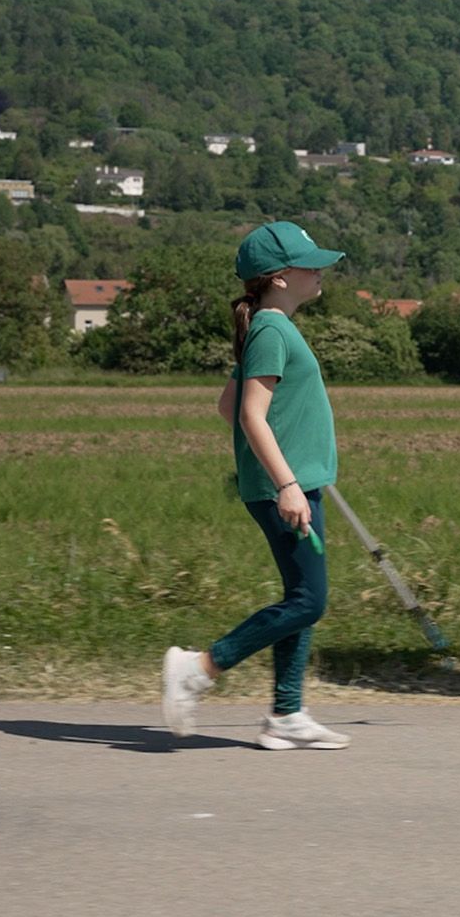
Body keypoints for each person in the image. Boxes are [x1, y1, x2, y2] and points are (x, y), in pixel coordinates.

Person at [161, 220, 353, 750]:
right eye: (310, 264)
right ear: (280, 278)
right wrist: (285, 480)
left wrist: (289, 459)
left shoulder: (270, 328)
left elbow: (228, 405)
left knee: (301, 595)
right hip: (284, 490)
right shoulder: (272, 330)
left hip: (291, 482)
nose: (321, 271)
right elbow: (249, 415)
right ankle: (198, 669)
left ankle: (287, 715)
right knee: (310, 601)